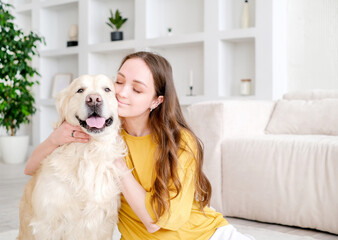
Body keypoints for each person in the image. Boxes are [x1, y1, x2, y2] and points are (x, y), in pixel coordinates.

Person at [25, 51, 254, 240]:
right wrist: (56, 138)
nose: (122, 93)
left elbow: (154, 222)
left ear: (156, 100)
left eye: (137, 89)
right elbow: (31, 169)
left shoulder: (180, 142)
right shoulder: (104, 127)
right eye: (119, 81)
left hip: (206, 236)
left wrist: (114, 156)